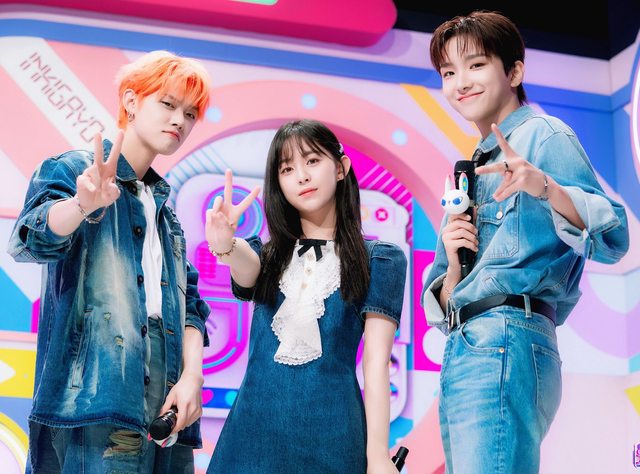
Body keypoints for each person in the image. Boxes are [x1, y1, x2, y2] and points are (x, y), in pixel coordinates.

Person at [421, 11, 629, 474]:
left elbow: (614, 234)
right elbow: (444, 300)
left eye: (476, 65)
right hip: (466, 345)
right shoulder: (474, 167)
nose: (460, 83)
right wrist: (453, 267)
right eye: (448, 73)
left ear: (513, 72)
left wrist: (545, 187)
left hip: (507, 335)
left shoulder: (543, 136)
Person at [8, 50, 213, 473]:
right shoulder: (74, 170)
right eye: (168, 104)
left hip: (168, 405)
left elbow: (190, 305)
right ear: (132, 101)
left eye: (190, 114)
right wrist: (82, 205)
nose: (180, 120)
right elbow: (32, 239)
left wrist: (192, 376)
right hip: (96, 395)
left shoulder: (167, 215)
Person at [204, 119, 407, 473]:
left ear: (341, 168)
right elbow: (246, 267)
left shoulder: (381, 260)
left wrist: (377, 455)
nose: (301, 176)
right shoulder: (268, 257)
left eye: (312, 160)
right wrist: (225, 245)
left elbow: (377, 363)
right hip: (252, 436)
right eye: (287, 169)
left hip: (332, 436)